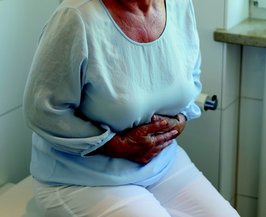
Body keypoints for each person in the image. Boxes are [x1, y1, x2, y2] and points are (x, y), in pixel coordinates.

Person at [23, 0, 240, 216]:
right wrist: (117, 145)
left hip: (162, 164)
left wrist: (179, 120)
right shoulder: (76, 17)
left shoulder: (179, 5)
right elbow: (43, 110)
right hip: (82, 179)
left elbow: (190, 76)